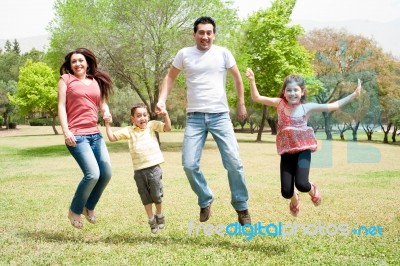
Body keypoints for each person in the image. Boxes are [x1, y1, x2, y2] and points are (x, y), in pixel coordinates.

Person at [156, 16, 251, 225]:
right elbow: (170, 77)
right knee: (189, 164)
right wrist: (162, 100)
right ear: (194, 34)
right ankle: (205, 198)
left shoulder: (223, 53)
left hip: (220, 116)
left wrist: (241, 104)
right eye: (201, 33)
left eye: (209, 33)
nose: (205, 37)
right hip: (194, 118)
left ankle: (242, 207)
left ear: (214, 34)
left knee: (234, 162)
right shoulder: (184, 54)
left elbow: (237, 77)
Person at [245, 68, 362, 217]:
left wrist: (354, 95)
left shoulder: (307, 107)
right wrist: (252, 80)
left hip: (303, 149)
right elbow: (257, 98)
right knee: (286, 192)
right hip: (287, 151)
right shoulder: (280, 104)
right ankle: (295, 200)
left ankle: (312, 189)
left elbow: (333, 106)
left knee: (302, 184)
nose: (292, 93)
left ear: (302, 92)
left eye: (296, 90)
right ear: (284, 92)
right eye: (289, 90)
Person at [58, 47, 113, 229]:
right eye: (74, 61)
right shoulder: (66, 80)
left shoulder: (95, 81)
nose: (77, 64)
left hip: (95, 134)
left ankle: (89, 206)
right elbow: (61, 106)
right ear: (70, 65)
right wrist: (66, 132)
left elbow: (101, 103)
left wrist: (106, 112)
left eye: (80, 60)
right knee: (92, 174)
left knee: (106, 174)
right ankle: (74, 210)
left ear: (87, 62)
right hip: (77, 135)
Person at [105, 103, 171, 234]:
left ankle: (159, 214)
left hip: (154, 168)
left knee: (157, 194)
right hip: (139, 170)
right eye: (139, 116)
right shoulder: (129, 131)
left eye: (145, 115)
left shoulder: (152, 125)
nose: (143, 118)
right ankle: (151, 219)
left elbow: (167, 128)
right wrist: (107, 124)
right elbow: (112, 138)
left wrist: (166, 116)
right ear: (133, 119)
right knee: (145, 196)